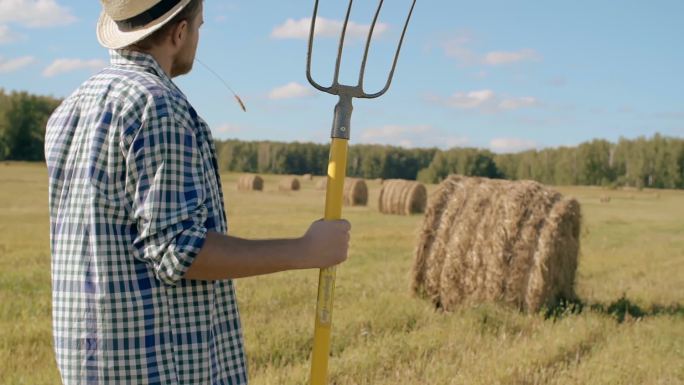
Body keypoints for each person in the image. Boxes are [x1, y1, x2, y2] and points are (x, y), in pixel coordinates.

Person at [44, 1, 351, 384]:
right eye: (199, 27)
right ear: (179, 33)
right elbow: (180, 254)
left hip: (91, 363)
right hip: (155, 364)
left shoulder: (68, 110)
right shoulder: (158, 106)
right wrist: (305, 250)